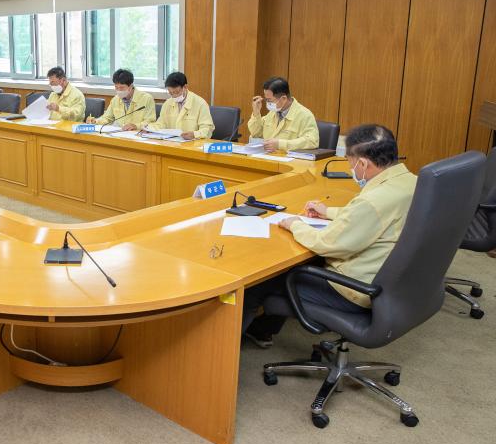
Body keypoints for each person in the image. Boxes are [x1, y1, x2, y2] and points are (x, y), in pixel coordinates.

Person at [243, 124, 417, 347]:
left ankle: (229, 349)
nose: (351, 169)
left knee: (261, 283)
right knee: (293, 268)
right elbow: (372, 217)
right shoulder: (411, 182)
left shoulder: (371, 201)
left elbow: (327, 244)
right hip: (393, 284)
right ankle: (262, 330)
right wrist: (328, 212)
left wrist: (296, 225)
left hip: (354, 290)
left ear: (363, 164)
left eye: (351, 163)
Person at [247, 77, 319, 152]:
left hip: (289, 158)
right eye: (266, 99)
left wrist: (280, 144)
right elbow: (256, 133)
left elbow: (312, 141)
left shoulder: (304, 115)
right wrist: (256, 113)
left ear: (283, 98)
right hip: (268, 156)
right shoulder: (273, 112)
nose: (267, 103)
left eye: (269, 100)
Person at [145, 72, 214, 140]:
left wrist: (194, 134)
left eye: (176, 92)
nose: (174, 96)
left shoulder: (200, 103)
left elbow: (207, 129)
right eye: (171, 93)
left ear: (185, 87)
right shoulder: (167, 103)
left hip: (193, 143)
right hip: (171, 142)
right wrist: (149, 128)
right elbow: (161, 124)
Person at [87, 68, 156, 131]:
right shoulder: (115, 100)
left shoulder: (147, 99)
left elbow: (150, 122)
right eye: (116, 87)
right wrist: (96, 121)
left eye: (122, 88)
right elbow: (107, 118)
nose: (119, 90)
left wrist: (136, 126)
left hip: (139, 135)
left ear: (131, 86)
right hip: (121, 135)